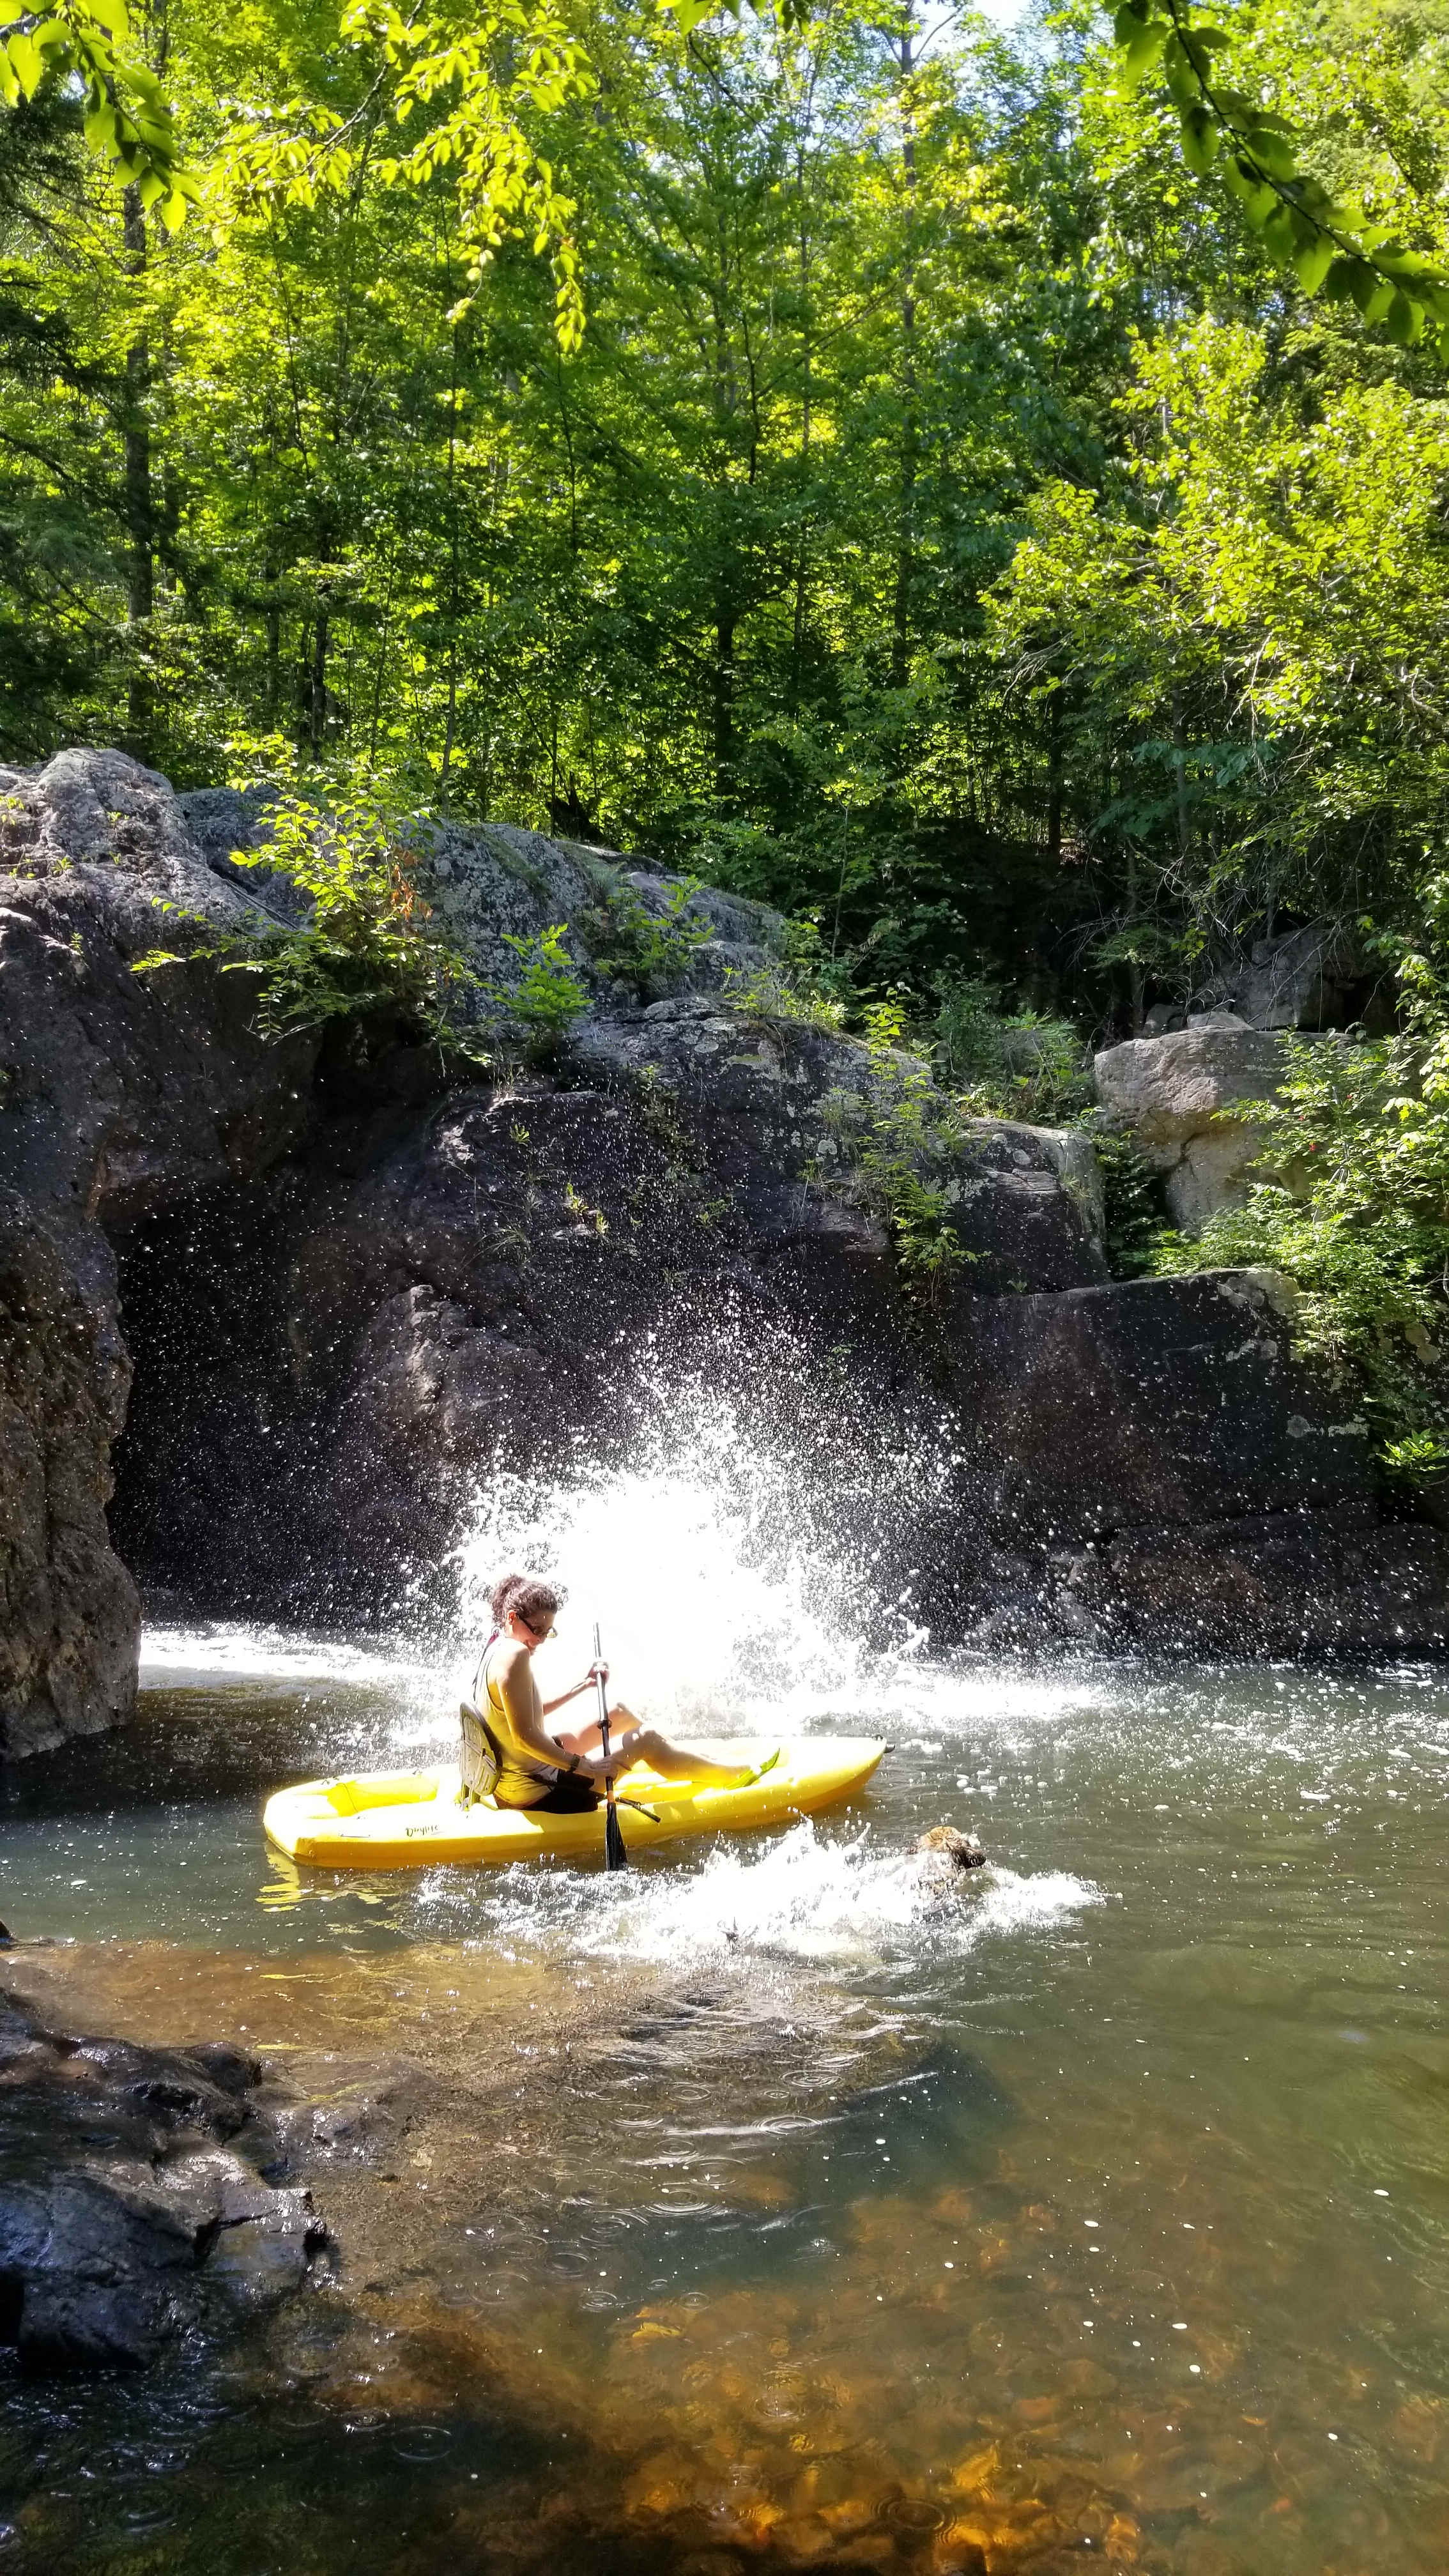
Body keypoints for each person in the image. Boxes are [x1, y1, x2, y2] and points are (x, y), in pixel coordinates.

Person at [473, 1572, 778, 1815]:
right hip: (541, 1791)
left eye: (547, 1632)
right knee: (646, 1739)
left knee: (619, 1714)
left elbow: (521, 1713)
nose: (540, 1640)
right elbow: (524, 1737)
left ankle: (684, 1758)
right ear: (512, 1617)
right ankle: (731, 1775)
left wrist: (582, 1686)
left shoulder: (496, 1646)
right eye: (536, 1630)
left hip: (524, 1775)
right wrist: (585, 1766)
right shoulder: (516, 1656)